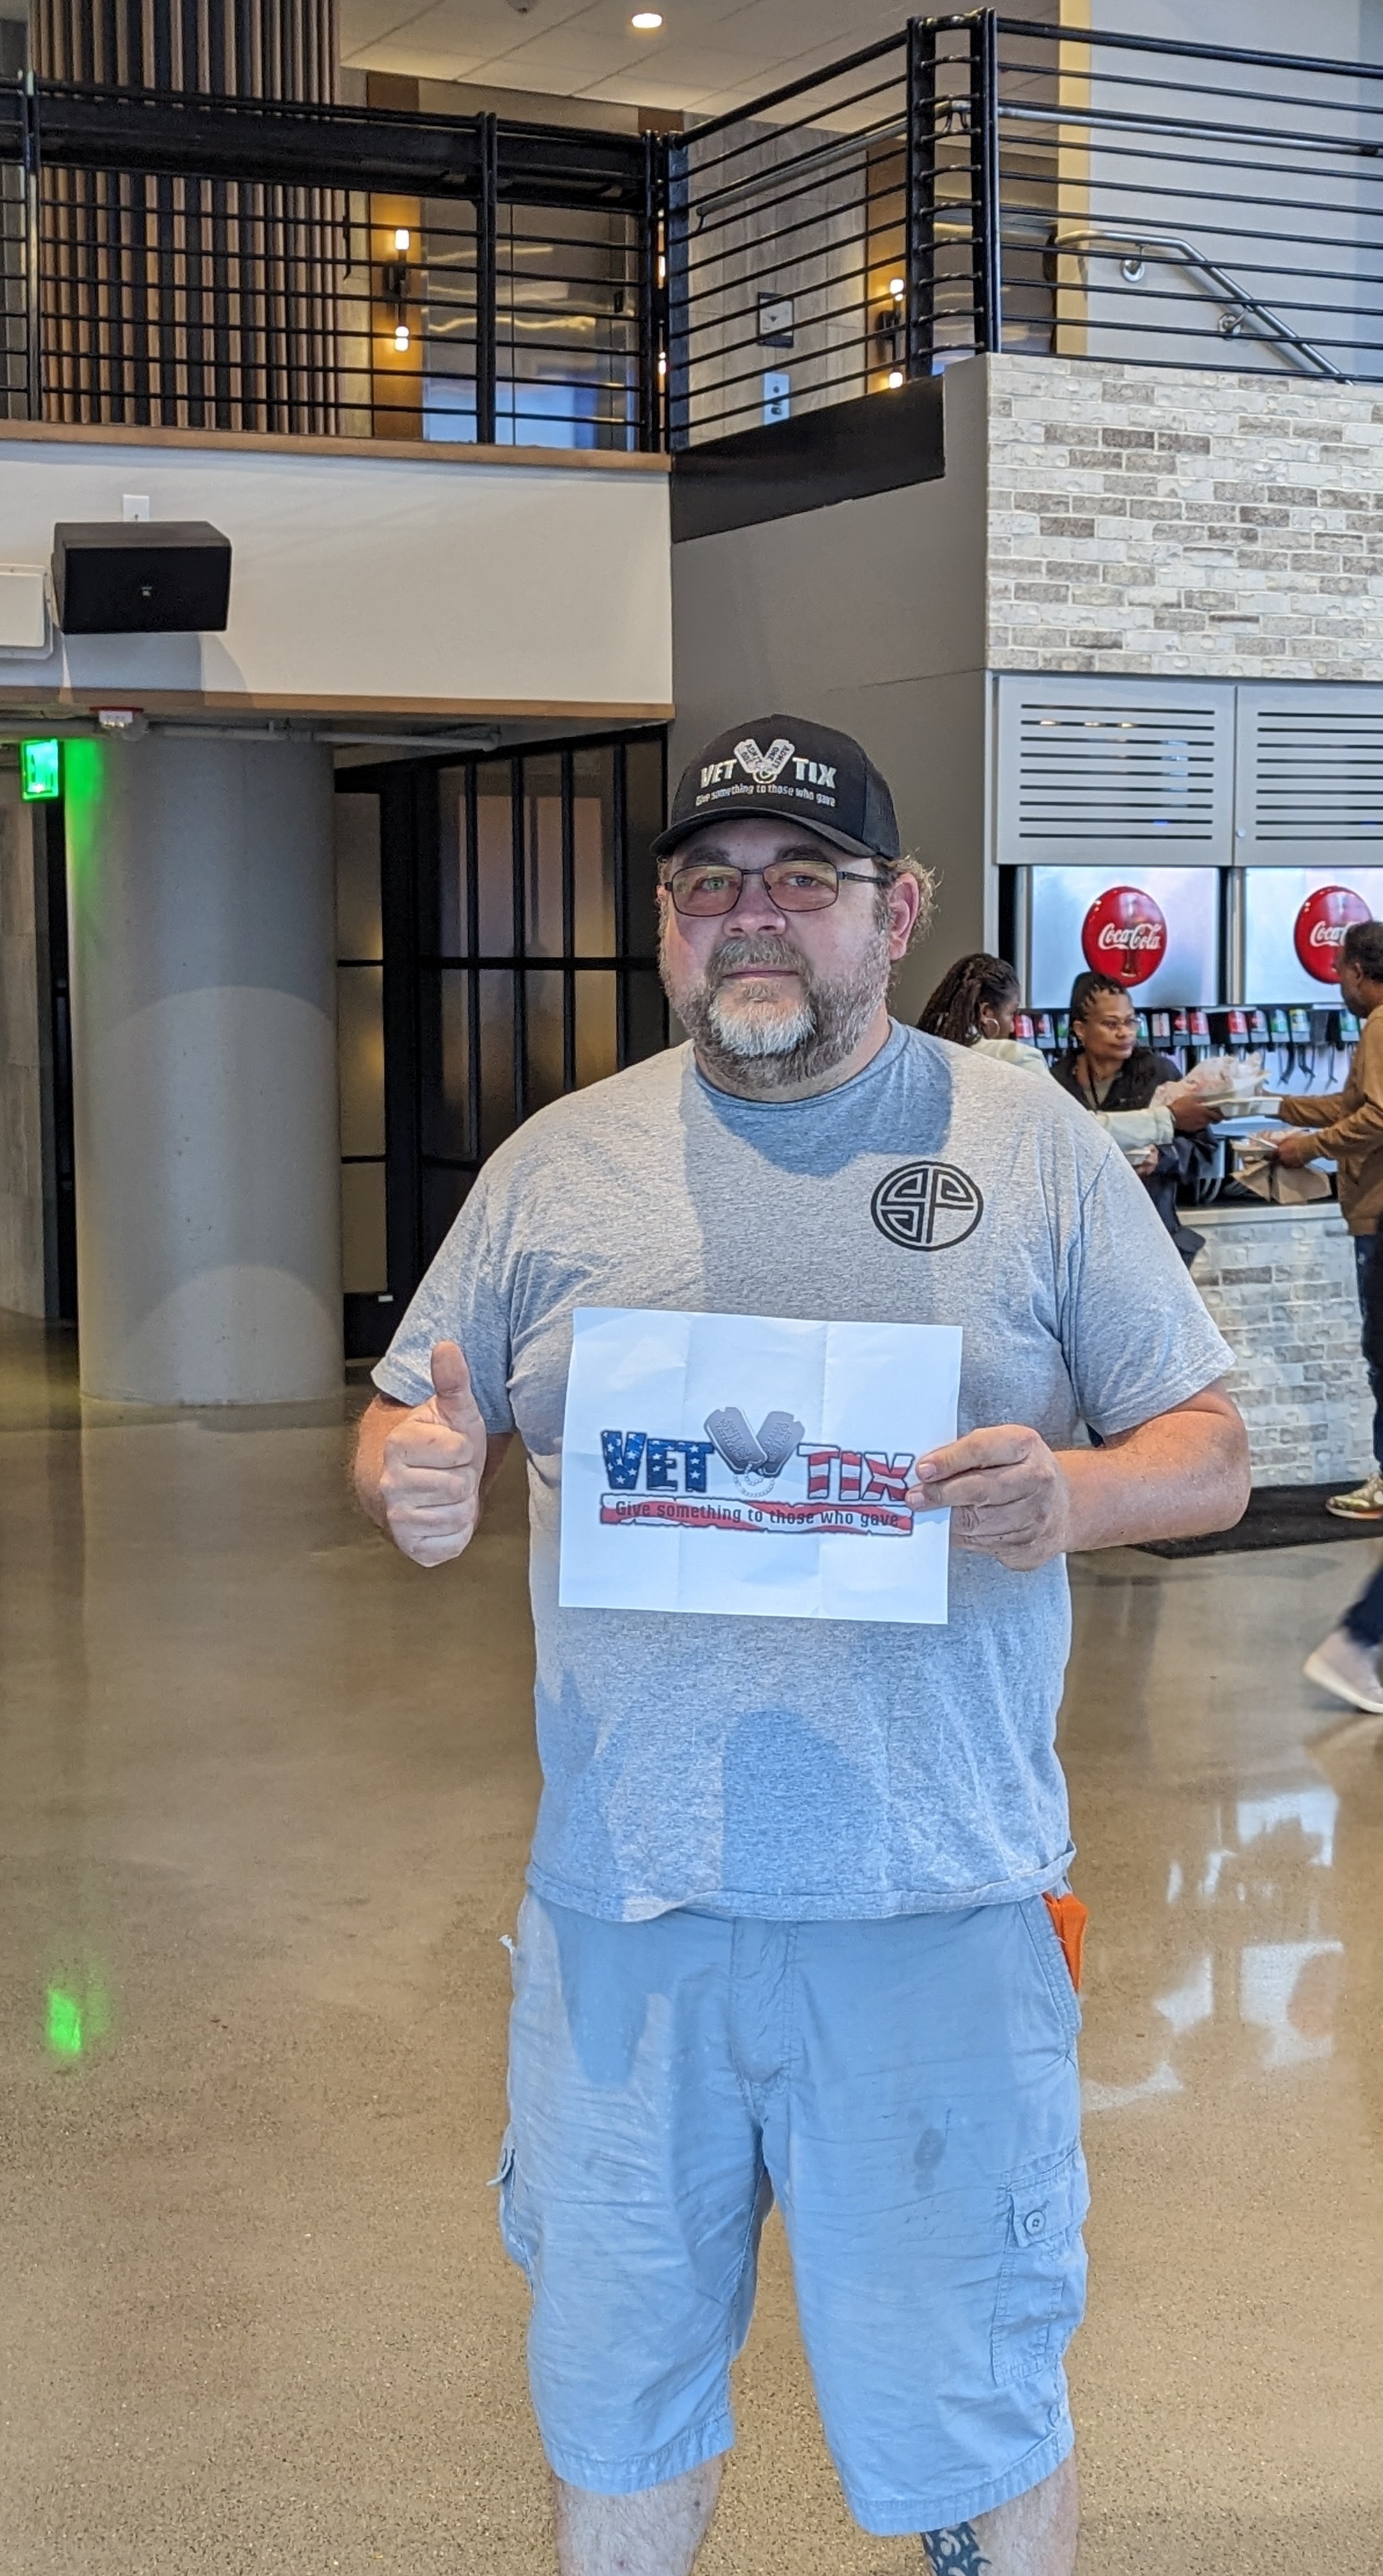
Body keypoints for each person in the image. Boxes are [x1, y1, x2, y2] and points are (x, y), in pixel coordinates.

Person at [354, 713, 1248, 2576]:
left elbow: (1214, 1452)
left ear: (896, 910)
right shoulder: (557, 1167)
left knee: (974, 2424)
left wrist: (1075, 1494)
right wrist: (409, 1475)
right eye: (708, 883)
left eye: (804, 879)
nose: (750, 917)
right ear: (665, 923)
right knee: (618, 2417)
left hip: (936, 1909)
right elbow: (414, 1417)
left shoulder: (1032, 1145)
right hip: (626, 1918)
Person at [1273, 917, 1383, 1529]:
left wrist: (1309, 1148)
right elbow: (1353, 1106)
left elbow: (1378, 1116)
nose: (1338, 980)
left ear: (1360, 974)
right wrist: (1271, 1103)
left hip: (1380, 1214)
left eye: (1341, 970)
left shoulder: (1380, 1025)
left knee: (1381, 1350)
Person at [1051, 972, 1221, 1266]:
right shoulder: (1057, 1081)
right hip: (1082, 1243)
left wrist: (1162, 1158)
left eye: (1131, 1022)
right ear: (1080, 1029)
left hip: (1150, 1237)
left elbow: (1205, 1151)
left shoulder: (1159, 1074)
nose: (1125, 1033)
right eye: (1111, 1024)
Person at [917, 951, 1049, 1073]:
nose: (1012, 1028)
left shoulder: (919, 1051)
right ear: (986, 1013)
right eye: (1011, 1013)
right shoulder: (1021, 1060)